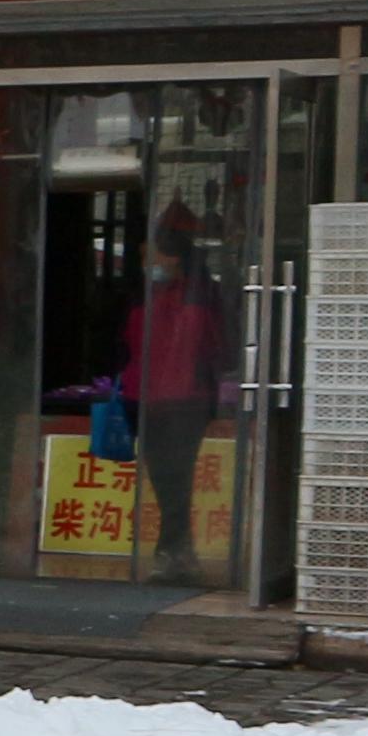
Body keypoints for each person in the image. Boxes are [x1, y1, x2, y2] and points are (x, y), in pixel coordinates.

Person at [125, 208, 231, 584]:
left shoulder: (198, 296)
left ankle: (170, 554)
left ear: (174, 257)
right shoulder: (150, 295)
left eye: (151, 256)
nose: (147, 264)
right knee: (166, 480)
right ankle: (178, 555)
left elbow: (209, 345)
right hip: (150, 398)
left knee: (175, 478)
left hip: (185, 399)